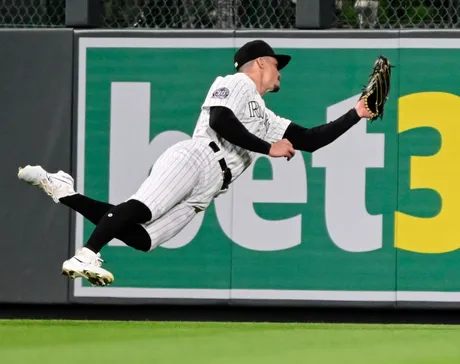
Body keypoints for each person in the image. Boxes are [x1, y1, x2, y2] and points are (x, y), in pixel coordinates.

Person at [18, 40, 372, 287]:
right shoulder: (235, 83)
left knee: (141, 238)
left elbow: (311, 139)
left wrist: (356, 113)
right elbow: (220, 121)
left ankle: (62, 191)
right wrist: (267, 148)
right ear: (261, 63)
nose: (280, 72)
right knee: (140, 208)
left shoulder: (266, 115)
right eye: (277, 65)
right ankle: (86, 255)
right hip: (199, 156)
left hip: (209, 189)